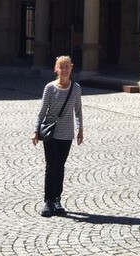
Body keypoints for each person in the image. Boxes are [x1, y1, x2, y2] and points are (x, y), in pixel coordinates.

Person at [31, 55, 83, 217]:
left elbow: (78, 111)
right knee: (50, 166)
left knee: (60, 166)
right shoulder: (50, 88)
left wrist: (80, 129)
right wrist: (35, 130)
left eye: (67, 67)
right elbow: (42, 111)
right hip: (51, 133)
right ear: (56, 69)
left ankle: (57, 199)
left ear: (71, 68)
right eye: (62, 67)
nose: (65, 70)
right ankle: (48, 201)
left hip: (67, 134)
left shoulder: (76, 88)